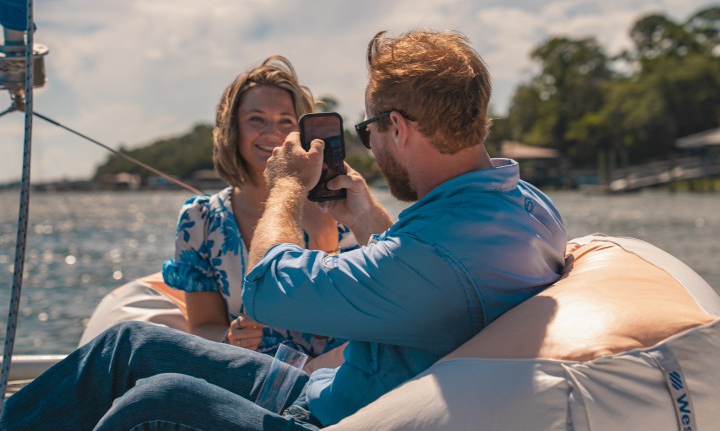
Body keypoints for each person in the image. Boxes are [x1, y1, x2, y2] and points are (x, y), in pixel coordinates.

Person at [0, 29, 566, 431]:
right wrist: (367, 218)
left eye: (368, 130)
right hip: (337, 388)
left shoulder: (438, 253)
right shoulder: (524, 206)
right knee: (129, 346)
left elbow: (269, 288)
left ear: (396, 126)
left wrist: (288, 188)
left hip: (337, 415)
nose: (368, 143)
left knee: (156, 401)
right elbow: (421, 266)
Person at [160, 55, 355, 358]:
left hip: (332, 374)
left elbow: (357, 319)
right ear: (233, 129)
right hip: (248, 374)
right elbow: (203, 326)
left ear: (302, 131)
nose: (272, 133)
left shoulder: (339, 209)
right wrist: (228, 338)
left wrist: (325, 245)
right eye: (256, 119)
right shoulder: (200, 221)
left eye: (286, 121)